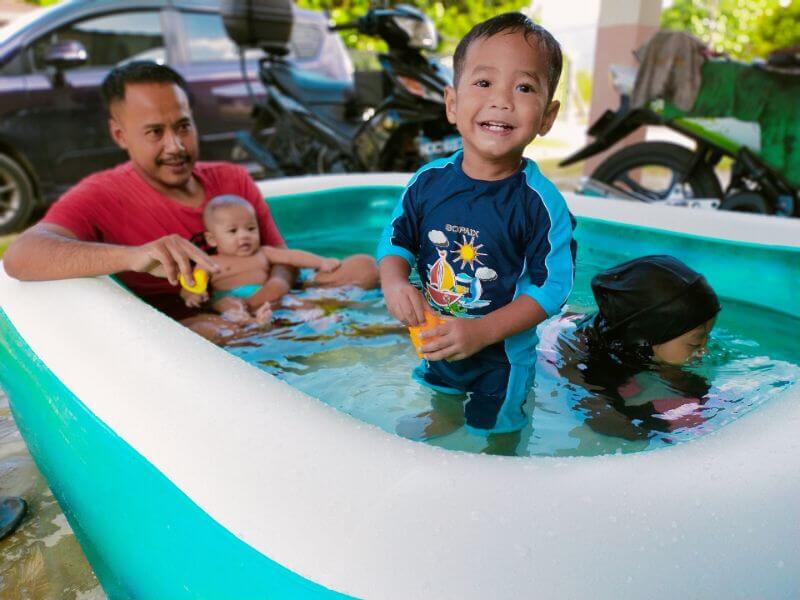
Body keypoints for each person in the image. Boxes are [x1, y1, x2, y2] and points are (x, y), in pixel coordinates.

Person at [2, 62, 378, 342]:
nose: (176, 145)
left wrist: (271, 296)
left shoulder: (232, 180)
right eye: (155, 132)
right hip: (209, 325)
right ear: (120, 135)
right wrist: (132, 256)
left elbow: (281, 259)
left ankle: (306, 326)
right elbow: (20, 256)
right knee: (203, 334)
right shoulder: (101, 196)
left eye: (183, 126)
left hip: (271, 304)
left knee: (363, 267)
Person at [376, 13, 575, 453]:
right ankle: (445, 419)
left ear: (547, 116)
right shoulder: (428, 183)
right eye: (483, 83)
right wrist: (393, 280)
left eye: (524, 88)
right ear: (451, 103)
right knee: (442, 395)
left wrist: (482, 333)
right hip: (436, 339)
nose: (502, 101)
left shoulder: (540, 205)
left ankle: (497, 460)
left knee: (498, 439)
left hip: (500, 362)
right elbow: (395, 242)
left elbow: (551, 290)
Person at [544, 255, 720, 445]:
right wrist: (659, 430)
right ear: (646, 338)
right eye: (695, 343)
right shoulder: (584, 360)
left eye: (707, 337)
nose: (705, 351)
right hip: (558, 343)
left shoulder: (638, 339)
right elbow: (602, 419)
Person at [184, 194, 342, 326]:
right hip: (231, 296)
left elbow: (292, 256)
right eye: (233, 231)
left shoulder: (263, 253)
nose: (244, 235)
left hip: (266, 295)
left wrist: (321, 262)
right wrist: (193, 294)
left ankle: (322, 322)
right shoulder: (209, 261)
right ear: (212, 239)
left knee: (295, 301)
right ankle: (250, 322)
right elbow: (193, 282)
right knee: (228, 304)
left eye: (251, 228)